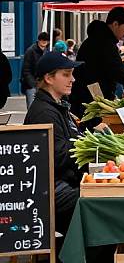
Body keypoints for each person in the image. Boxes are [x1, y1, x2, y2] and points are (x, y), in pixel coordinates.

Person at [24, 52, 83, 237]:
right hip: (50, 192)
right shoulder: (44, 113)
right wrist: (89, 147)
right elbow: (58, 156)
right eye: (66, 74)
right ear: (49, 78)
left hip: (63, 183)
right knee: (96, 202)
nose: (72, 79)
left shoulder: (57, 105)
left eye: (72, 74)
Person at [70, 7, 124, 117]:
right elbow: (116, 70)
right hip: (89, 99)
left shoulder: (99, 39)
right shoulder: (104, 42)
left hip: (89, 96)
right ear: (115, 24)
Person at [21, 32, 50, 108]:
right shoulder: (31, 51)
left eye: (46, 40)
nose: (44, 42)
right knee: (32, 107)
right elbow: (26, 70)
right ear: (38, 40)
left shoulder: (46, 52)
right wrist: (33, 84)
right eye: (42, 40)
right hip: (32, 85)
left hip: (43, 84)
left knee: (42, 107)